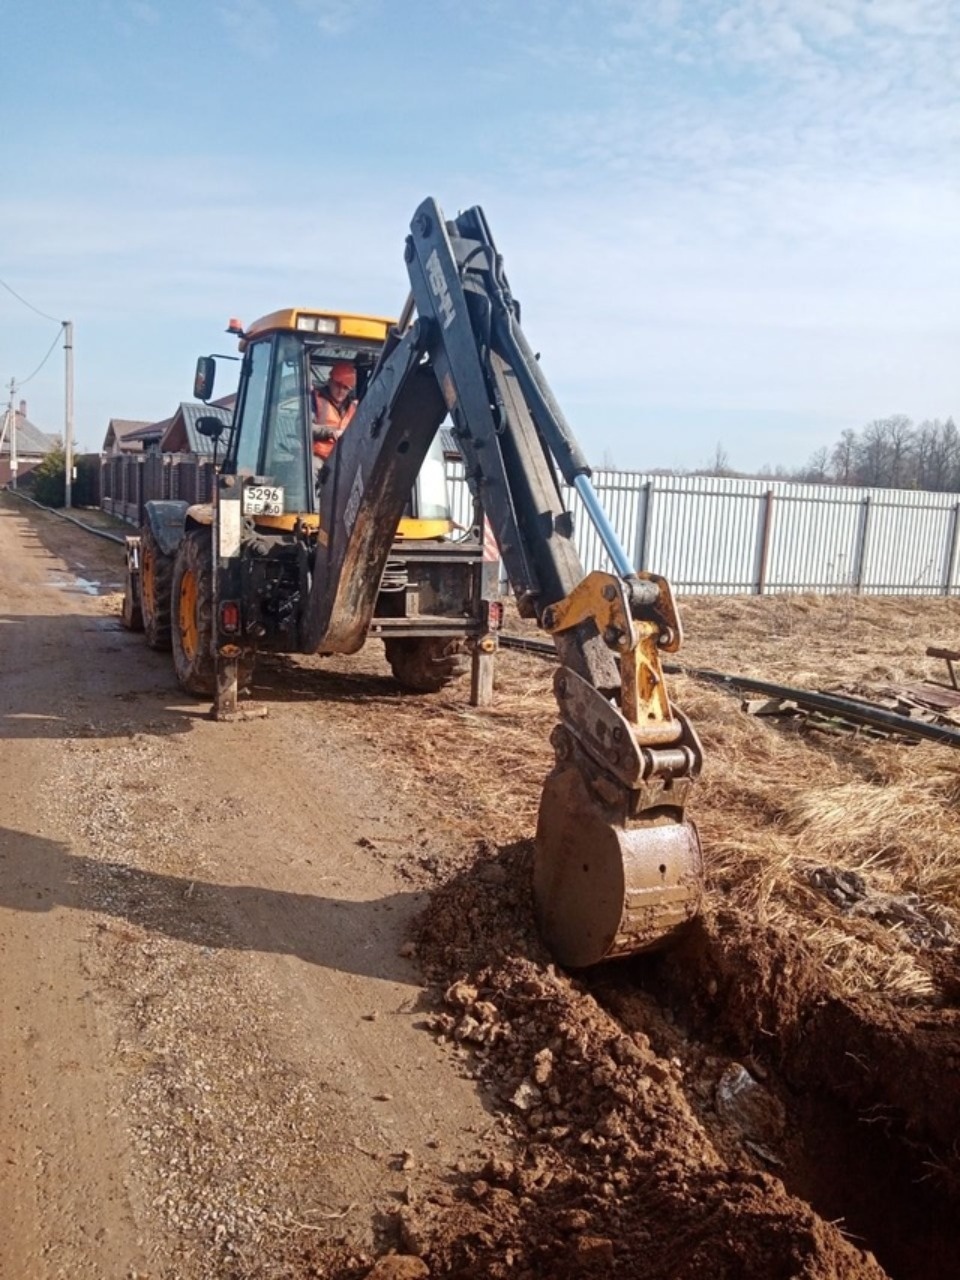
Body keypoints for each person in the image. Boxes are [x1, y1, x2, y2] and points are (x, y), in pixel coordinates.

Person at [312, 362, 356, 462]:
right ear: (330, 381)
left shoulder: (354, 407)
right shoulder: (315, 399)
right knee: (313, 466)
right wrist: (331, 433)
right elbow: (304, 427)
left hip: (344, 460)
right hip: (318, 456)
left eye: (345, 388)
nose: (341, 391)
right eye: (338, 385)